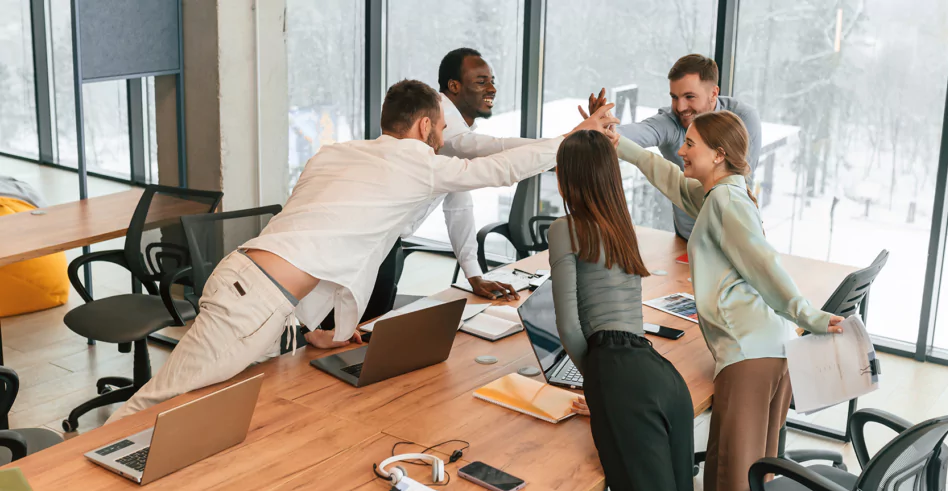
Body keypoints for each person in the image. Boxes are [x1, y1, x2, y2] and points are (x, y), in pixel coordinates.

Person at [107, 80, 617, 422]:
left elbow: (326, 234)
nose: (443, 140)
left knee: (211, 411)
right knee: (155, 406)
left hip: (257, 293)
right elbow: (497, 168)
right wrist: (578, 136)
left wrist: (316, 332)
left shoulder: (335, 154)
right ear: (424, 127)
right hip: (254, 299)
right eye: (441, 130)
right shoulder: (416, 162)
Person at [610, 111, 842, 491]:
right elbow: (665, 175)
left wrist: (812, 316)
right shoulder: (719, 195)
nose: (681, 149)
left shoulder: (729, 202)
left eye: (690, 143)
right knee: (751, 483)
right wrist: (618, 142)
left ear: (718, 154)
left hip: (749, 356)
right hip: (767, 350)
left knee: (732, 488)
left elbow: (764, 265)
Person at [548, 130, 695, 491]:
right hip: (662, 378)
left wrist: (598, 385)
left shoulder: (565, 229)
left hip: (621, 380)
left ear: (566, 178)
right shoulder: (622, 227)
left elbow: (569, 327)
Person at [372, 48, 549, 312]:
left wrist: (474, 275)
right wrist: (567, 143)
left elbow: (459, 207)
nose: (492, 88)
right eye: (481, 81)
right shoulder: (436, 115)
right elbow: (481, 149)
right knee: (357, 336)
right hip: (373, 242)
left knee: (369, 332)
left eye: (492, 81)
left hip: (388, 243)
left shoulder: (448, 129)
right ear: (454, 86)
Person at [587, 54, 762, 240]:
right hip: (687, 239)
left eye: (689, 97)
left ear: (713, 93)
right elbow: (638, 137)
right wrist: (602, 127)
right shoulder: (671, 122)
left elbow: (742, 182)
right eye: (674, 97)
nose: (680, 107)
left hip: (731, 238)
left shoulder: (744, 119)